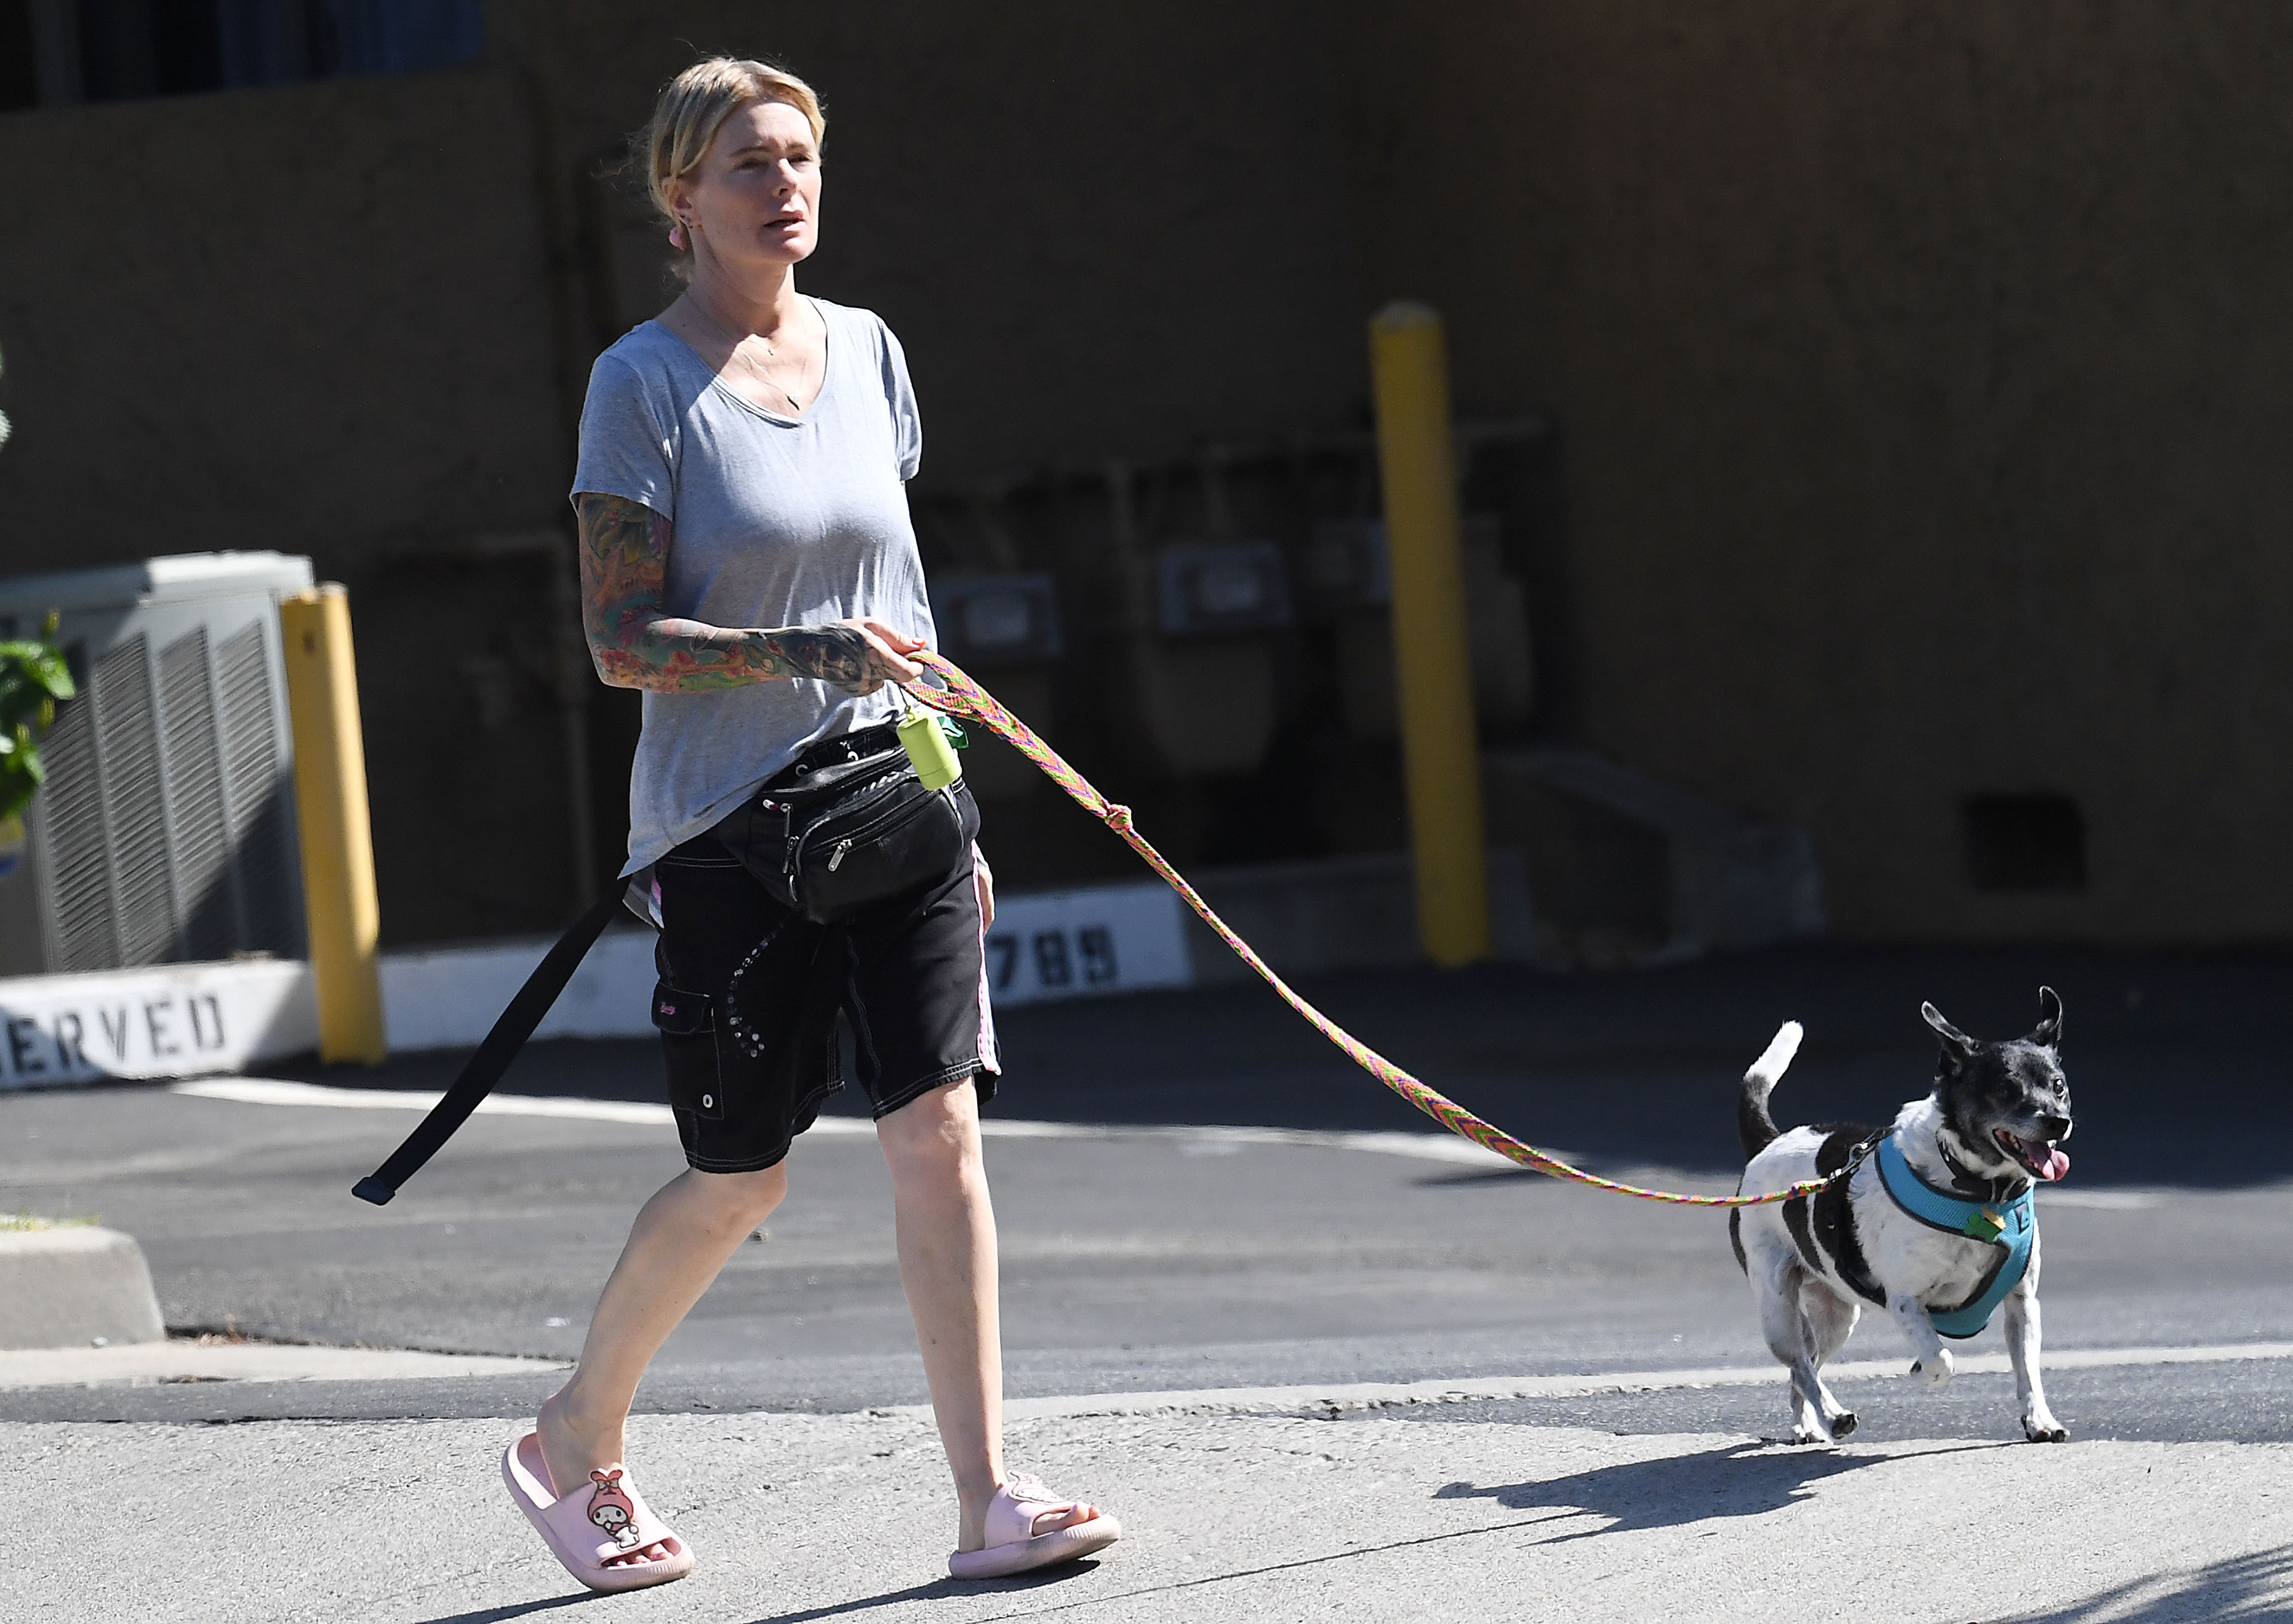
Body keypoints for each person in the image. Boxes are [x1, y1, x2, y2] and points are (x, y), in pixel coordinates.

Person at [498, 55, 1120, 1594]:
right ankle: (577, 1435)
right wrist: (798, 654)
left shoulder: (869, 353)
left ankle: (987, 1497)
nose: (786, 187)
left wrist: (956, 814)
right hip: (726, 831)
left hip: (896, 801)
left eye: (800, 158)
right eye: (747, 167)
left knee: (940, 1133)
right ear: (679, 200)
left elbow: (897, 604)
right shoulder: (641, 384)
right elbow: (618, 642)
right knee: (742, 1175)